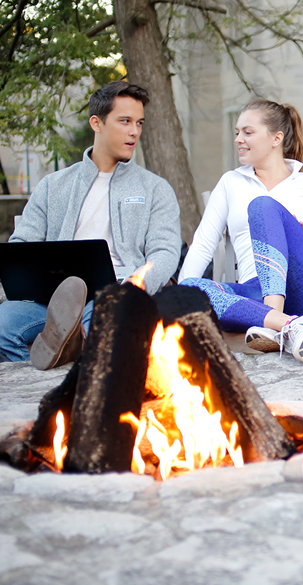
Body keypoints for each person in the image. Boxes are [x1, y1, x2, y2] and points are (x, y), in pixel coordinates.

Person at [0, 81, 181, 370]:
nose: (134, 131)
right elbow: (21, 246)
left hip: (114, 290)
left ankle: (73, 380)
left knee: (102, 323)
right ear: (97, 123)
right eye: (125, 121)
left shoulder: (155, 189)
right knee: (2, 326)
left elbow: (165, 251)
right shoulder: (54, 185)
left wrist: (136, 286)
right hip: (49, 296)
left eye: (139, 123)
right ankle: (44, 388)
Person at [179, 99, 303, 364]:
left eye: (248, 132)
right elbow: (203, 244)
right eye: (236, 132)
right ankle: (289, 325)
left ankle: (272, 322)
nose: (238, 139)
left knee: (262, 207)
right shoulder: (231, 182)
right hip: (254, 295)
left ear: (276, 138)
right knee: (189, 288)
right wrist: (179, 301)